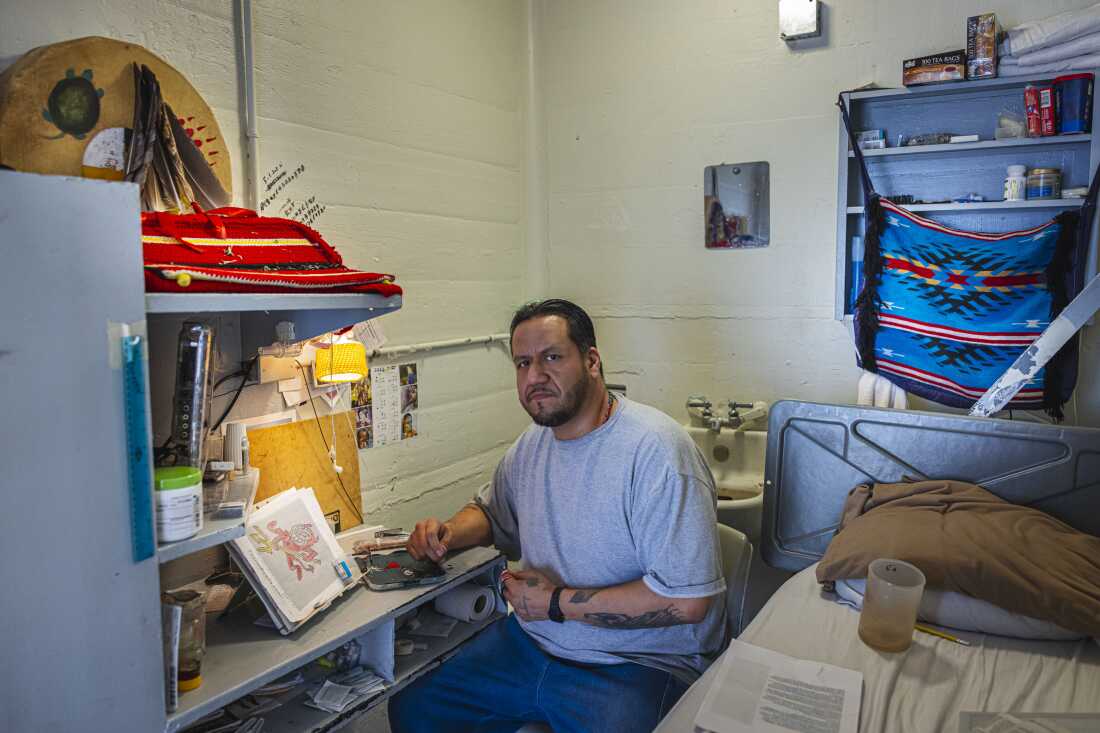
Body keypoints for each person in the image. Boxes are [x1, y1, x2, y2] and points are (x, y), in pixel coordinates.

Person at [388, 299, 725, 733]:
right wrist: (449, 533)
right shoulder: (532, 446)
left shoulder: (657, 452)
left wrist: (553, 602)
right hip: (533, 643)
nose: (534, 377)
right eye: (523, 363)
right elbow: (493, 514)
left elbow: (688, 602)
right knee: (415, 706)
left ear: (591, 361)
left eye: (552, 357)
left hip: (638, 661)